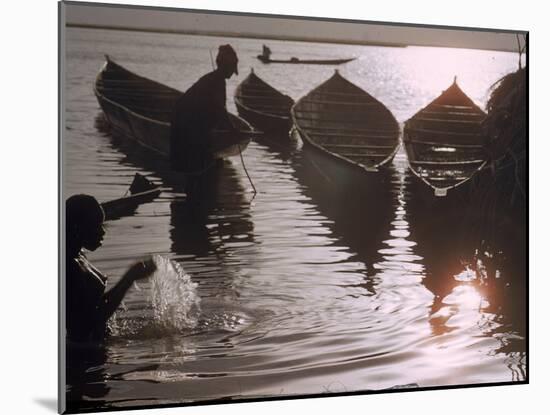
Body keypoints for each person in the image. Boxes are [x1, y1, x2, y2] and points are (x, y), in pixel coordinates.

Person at [65, 194, 156, 342]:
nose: (103, 232)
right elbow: (87, 324)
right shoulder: (67, 267)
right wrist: (129, 278)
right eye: (96, 226)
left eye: (102, 224)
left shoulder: (79, 255)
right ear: (77, 227)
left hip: (97, 350)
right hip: (84, 358)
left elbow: (94, 304)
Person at [169, 44, 239, 177]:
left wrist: (230, 128)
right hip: (185, 125)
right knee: (195, 169)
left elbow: (219, 109)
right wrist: (231, 129)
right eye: (231, 69)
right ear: (224, 66)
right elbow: (220, 109)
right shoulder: (215, 81)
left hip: (192, 124)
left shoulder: (217, 79)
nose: (232, 73)